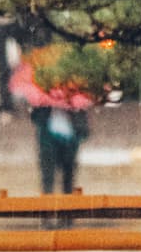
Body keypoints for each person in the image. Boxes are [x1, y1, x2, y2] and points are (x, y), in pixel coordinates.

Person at [9, 48, 95, 195]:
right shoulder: (42, 97)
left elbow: (83, 112)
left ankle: (67, 214)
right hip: (48, 138)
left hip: (70, 137)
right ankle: (48, 213)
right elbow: (35, 116)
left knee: (68, 178)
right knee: (48, 178)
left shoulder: (75, 92)